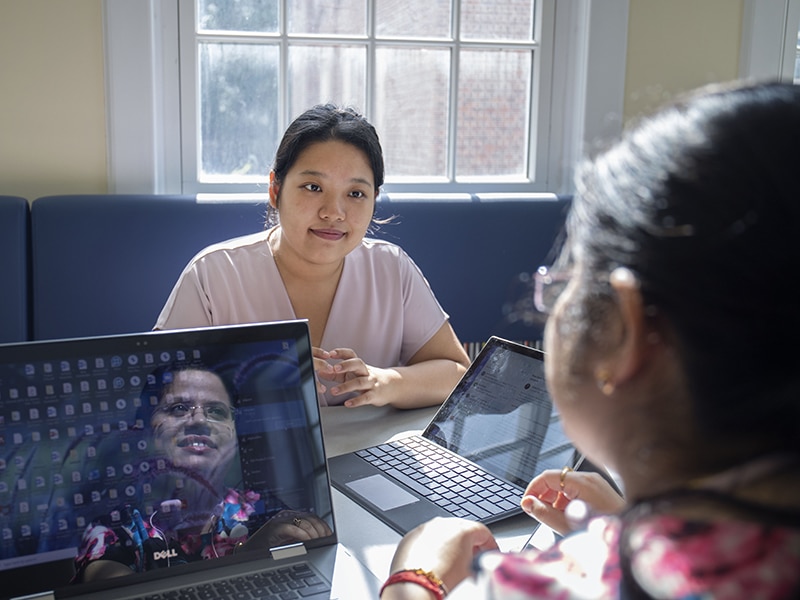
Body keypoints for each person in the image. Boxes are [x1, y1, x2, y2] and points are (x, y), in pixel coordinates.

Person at [381, 81, 800, 599]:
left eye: (561, 287)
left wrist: (413, 578)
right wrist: (631, 521)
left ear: (627, 328)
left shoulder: (564, 583)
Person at [155, 104, 471, 408]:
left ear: (375, 199)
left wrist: (385, 382)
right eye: (312, 187)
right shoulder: (214, 274)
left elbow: (457, 373)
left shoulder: (392, 269)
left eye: (356, 193)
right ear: (275, 190)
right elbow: (157, 387)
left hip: (374, 456)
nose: (333, 212)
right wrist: (248, 377)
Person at [74, 366, 330, 582]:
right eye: (178, 408)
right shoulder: (112, 531)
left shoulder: (260, 506)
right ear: (145, 429)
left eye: (217, 411)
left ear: (234, 432)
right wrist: (246, 556)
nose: (199, 421)